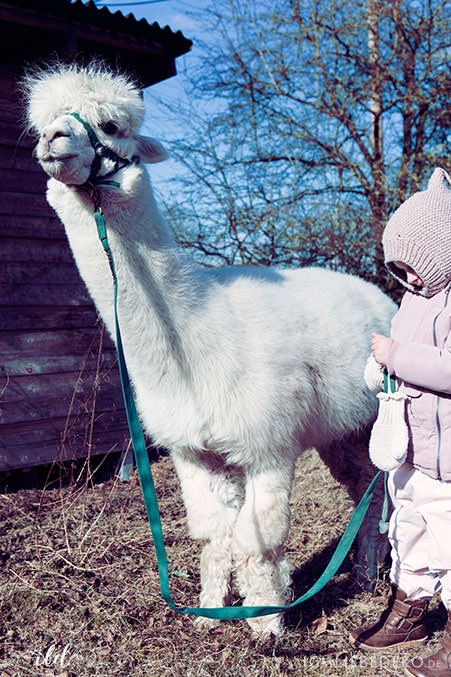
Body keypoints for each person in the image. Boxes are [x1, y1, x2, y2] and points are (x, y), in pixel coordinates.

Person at [350, 167, 451, 677]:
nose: (408, 278)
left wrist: (397, 354)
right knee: (406, 525)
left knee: (448, 535)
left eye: (416, 266)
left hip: (449, 457)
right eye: (399, 268)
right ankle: (409, 608)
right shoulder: (413, 300)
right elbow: (396, 355)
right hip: (410, 447)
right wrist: (380, 367)